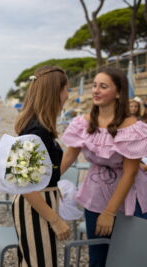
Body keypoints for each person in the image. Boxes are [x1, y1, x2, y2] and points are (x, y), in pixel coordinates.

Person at [61, 67, 147, 267]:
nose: (96, 90)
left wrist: (109, 213)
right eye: (94, 85)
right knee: (97, 257)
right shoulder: (82, 123)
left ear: (118, 93)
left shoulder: (132, 127)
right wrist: (44, 181)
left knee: (128, 258)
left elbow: (130, 173)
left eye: (103, 86)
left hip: (128, 199)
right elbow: (69, 157)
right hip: (94, 194)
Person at [11, 66, 71, 267]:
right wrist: (55, 220)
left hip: (41, 201)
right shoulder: (36, 130)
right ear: (56, 92)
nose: (68, 95)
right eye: (66, 90)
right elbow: (23, 183)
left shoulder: (39, 127)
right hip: (36, 203)